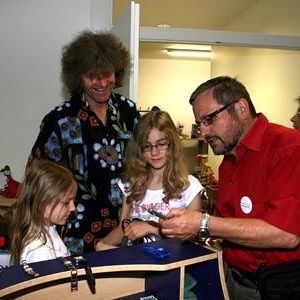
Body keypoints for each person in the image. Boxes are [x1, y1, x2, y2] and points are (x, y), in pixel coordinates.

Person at [160, 76, 300, 300]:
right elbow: (227, 224)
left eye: (209, 120)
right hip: (236, 280)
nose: (203, 133)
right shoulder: (229, 160)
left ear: (241, 108)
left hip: (279, 286)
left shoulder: (288, 147)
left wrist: (203, 223)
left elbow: (286, 234)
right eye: (199, 125)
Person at [27, 31, 140, 255]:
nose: (101, 83)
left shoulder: (129, 111)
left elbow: (143, 165)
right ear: (78, 77)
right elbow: (38, 179)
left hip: (124, 230)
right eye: (92, 76)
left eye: (106, 74)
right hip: (74, 234)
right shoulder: (59, 120)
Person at [96, 110, 203, 250]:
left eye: (161, 144)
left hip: (172, 265)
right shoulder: (131, 185)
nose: (154, 152)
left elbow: (193, 235)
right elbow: (124, 228)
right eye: (147, 146)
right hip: (138, 263)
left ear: (172, 145)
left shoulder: (189, 186)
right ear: (139, 149)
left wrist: (152, 228)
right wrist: (102, 244)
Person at [9, 159, 77, 264]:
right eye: (67, 202)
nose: (73, 208)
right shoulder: (39, 252)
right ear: (42, 204)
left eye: (73, 201)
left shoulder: (49, 232)